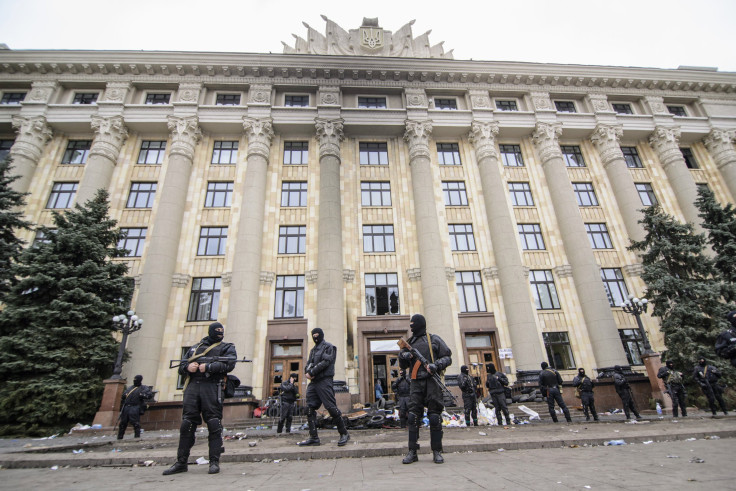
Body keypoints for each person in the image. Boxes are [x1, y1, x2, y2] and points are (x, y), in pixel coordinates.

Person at [162, 322, 236, 476]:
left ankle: (214, 462)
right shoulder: (194, 348)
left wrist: (209, 367)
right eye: (216, 331)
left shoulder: (227, 347)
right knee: (187, 424)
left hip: (212, 387)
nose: (219, 334)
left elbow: (230, 363)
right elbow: (181, 366)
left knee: (214, 424)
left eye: (221, 332)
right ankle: (181, 462)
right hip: (193, 388)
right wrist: (188, 368)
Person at [399, 314, 452, 464]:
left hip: (432, 382)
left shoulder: (433, 339)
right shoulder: (409, 342)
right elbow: (402, 365)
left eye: (414, 324)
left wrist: (436, 365)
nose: (412, 327)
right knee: (412, 417)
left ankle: (436, 451)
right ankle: (412, 451)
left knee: (434, 417)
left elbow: (448, 357)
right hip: (415, 382)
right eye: (411, 325)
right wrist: (404, 356)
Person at [297, 327, 350, 447]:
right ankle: (314, 437)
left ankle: (344, 433)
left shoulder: (328, 347)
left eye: (317, 334)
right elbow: (308, 364)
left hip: (324, 381)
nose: (315, 337)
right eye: (313, 335)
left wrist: (312, 372)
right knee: (309, 409)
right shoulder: (313, 350)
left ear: (321, 335)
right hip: (314, 383)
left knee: (331, 407)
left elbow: (326, 362)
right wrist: (308, 372)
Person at [117, 374, 153, 440]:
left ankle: (137, 437)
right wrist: (124, 395)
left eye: (136, 379)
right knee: (122, 423)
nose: (134, 380)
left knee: (135, 423)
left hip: (135, 407)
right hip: (126, 407)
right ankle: (119, 438)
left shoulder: (144, 388)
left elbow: (149, 395)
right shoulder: (130, 388)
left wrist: (142, 395)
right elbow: (124, 395)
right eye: (134, 379)